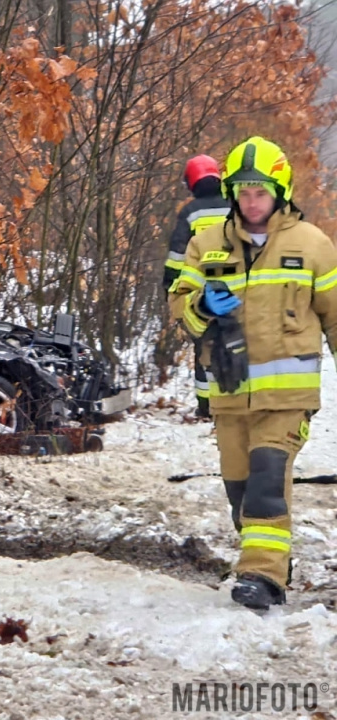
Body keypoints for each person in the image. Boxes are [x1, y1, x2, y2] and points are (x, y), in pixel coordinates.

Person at [168, 136, 337, 610]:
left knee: (267, 479)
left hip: (287, 397)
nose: (250, 201)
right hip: (229, 390)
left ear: (279, 191)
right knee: (240, 488)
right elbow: (180, 310)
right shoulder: (207, 244)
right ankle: (267, 557)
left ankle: (260, 577)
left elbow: (335, 316)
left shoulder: (312, 246)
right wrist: (201, 303)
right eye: (242, 191)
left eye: (260, 191)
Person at [163, 155, 232, 418]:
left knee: (204, 348)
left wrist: (171, 289)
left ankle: (206, 407)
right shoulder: (236, 205)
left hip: (202, 295)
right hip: (239, 289)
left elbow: (177, 257)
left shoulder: (191, 212)